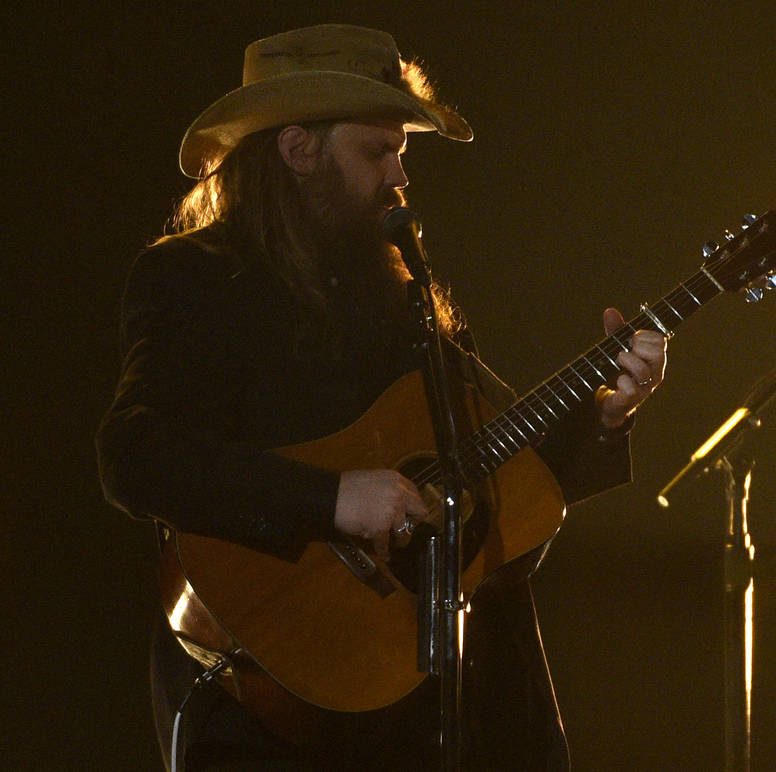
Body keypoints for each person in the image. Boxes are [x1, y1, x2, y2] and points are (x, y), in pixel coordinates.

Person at [96, 24, 666, 771]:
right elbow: (135, 457)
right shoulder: (195, 276)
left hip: (441, 698)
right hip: (270, 707)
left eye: (402, 152)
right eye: (378, 151)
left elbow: (498, 465)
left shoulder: (402, 290)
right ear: (297, 149)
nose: (400, 176)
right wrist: (331, 499)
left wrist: (605, 412)